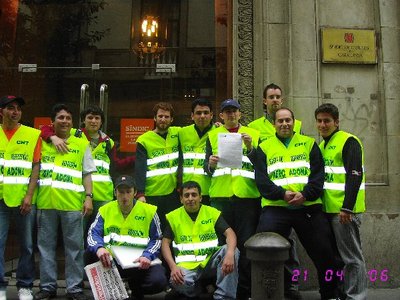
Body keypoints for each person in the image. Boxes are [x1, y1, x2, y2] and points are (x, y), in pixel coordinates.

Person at [252, 107, 340, 300]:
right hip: (276, 208)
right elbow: (261, 181)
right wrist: (282, 194)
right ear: (274, 124)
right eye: (280, 121)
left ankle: (330, 294)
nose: (284, 124)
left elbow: (318, 177)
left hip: (307, 207)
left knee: (325, 253)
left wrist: (305, 195)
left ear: (294, 122)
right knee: (264, 250)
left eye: (288, 120)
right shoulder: (264, 147)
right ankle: (272, 292)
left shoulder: (309, 144)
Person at [40, 105, 135, 239]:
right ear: (83, 120)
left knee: (103, 234)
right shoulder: (74, 134)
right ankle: (83, 260)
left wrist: (136, 158)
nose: (93, 121)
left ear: (102, 122)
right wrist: (52, 138)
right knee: (79, 236)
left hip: (104, 196)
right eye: (89, 118)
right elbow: (44, 129)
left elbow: (116, 165)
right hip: (81, 195)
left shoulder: (108, 142)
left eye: (97, 118)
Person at [35, 104, 96, 300]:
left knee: (75, 249)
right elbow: (38, 131)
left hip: (72, 205)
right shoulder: (43, 142)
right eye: (60, 117)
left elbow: (87, 173)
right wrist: (50, 136)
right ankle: (47, 287)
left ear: (72, 122)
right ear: (52, 122)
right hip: (46, 204)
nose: (65, 121)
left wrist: (89, 197)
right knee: (45, 248)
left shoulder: (81, 144)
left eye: (68, 118)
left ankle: (75, 289)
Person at [249, 83, 302, 299]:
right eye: (271, 97)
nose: (275, 100)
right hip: (264, 194)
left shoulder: (296, 124)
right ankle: (267, 285)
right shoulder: (253, 127)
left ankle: (293, 285)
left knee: (291, 244)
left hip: (292, 195)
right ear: (264, 101)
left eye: (278, 96)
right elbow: (251, 154)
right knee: (266, 241)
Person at [204, 99, 260, 300]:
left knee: (245, 246)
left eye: (234, 111)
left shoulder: (253, 135)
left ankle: (243, 291)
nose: (230, 115)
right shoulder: (213, 135)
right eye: (226, 112)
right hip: (221, 197)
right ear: (221, 116)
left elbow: (261, 164)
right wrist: (210, 164)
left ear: (240, 114)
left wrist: (251, 148)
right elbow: (206, 169)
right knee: (222, 245)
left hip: (247, 197)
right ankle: (223, 290)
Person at [315, 103, 367, 300]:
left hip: (344, 212)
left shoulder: (348, 141)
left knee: (352, 258)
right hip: (329, 211)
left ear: (336, 122)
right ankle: (343, 294)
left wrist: (347, 207)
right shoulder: (323, 146)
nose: (322, 124)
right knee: (338, 259)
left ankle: (356, 296)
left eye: (327, 120)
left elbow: (355, 175)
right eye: (319, 121)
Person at [87, 175, 167, 300]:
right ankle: (114, 289)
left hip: (140, 262)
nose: (125, 196)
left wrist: (147, 256)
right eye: (121, 192)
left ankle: (132, 288)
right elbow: (93, 234)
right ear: (115, 192)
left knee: (159, 281)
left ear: (135, 192)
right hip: (112, 261)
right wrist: (99, 248)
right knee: (89, 254)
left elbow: (156, 239)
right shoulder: (105, 210)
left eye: (128, 192)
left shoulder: (149, 211)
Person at [162, 181, 239, 300]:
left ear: (200, 197)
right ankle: (200, 290)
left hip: (210, 261)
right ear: (181, 199)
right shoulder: (173, 216)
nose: (190, 198)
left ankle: (224, 297)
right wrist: (173, 267)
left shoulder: (211, 212)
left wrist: (229, 254)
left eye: (194, 194)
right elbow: (165, 243)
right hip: (187, 266)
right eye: (186, 195)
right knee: (176, 282)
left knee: (233, 251)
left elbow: (230, 234)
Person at [0, 95, 41, 300]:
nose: (15, 112)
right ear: (2, 112)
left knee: (26, 244)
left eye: (18, 109)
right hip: (0, 199)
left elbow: (36, 167)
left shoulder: (33, 134)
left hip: (23, 199)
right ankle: (0, 287)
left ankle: (25, 286)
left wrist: (29, 195)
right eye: (10, 108)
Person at [134, 102, 181, 228]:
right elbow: (139, 169)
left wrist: (215, 125)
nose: (163, 119)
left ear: (172, 119)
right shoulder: (144, 140)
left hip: (172, 193)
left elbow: (197, 128)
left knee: (171, 229)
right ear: (154, 118)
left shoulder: (178, 133)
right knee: (153, 229)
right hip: (152, 194)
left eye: (166, 117)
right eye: (160, 116)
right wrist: (140, 194)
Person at [178, 98, 215, 205]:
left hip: (210, 191)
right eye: (198, 113)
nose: (202, 116)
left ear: (211, 115)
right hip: (188, 192)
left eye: (206, 113)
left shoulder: (219, 133)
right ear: (192, 116)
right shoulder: (182, 132)